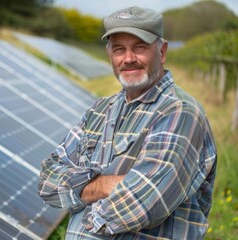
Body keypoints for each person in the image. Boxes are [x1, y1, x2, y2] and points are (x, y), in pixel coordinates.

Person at [38, 6, 217, 239]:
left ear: (161, 52)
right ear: (109, 54)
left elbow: (142, 203)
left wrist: (79, 199)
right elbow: (47, 181)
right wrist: (107, 185)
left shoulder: (180, 112)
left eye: (140, 47)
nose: (129, 58)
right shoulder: (99, 109)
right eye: (119, 49)